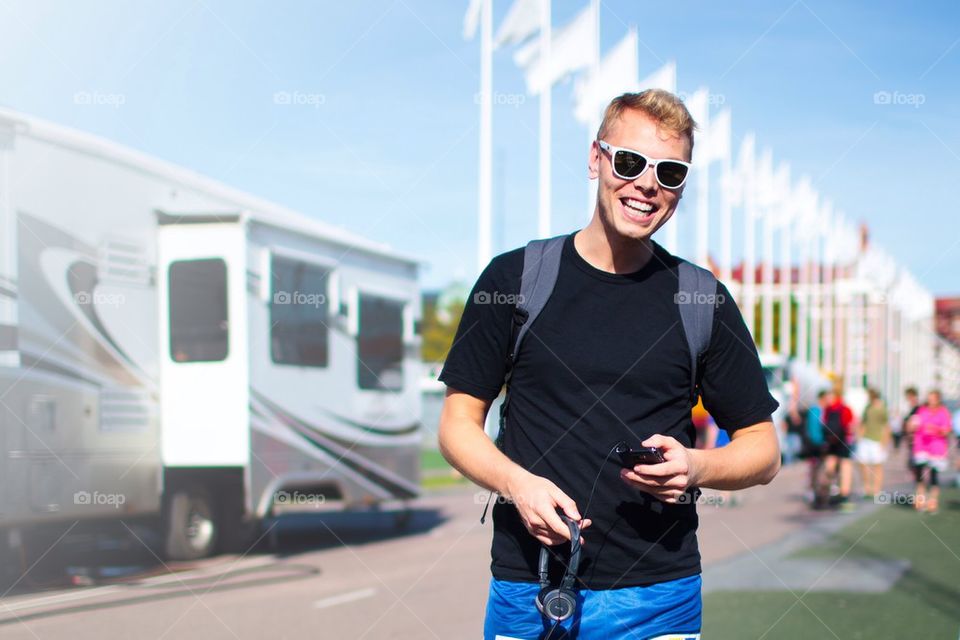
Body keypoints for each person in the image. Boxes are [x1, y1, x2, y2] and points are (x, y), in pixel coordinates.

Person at [438, 89, 780, 640]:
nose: (647, 184)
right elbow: (457, 426)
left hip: (658, 596)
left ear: (681, 187)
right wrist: (517, 483)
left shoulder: (702, 298)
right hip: (530, 588)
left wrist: (696, 467)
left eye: (669, 172)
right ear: (595, 159)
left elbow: (763, 450)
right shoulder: (514, 279)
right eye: (630, 162)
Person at [908, 389, 952, 514]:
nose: (930, 400)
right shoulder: (921, 410)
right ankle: (920, 499)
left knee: (934, 475)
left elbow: (947, 430)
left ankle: (932, 502)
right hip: (921, 445)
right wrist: (912, 425)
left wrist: (936, 430)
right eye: (929, 398)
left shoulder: (943, 412)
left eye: (933, 398)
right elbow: (913, 424)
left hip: (936, 447)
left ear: (938, 399)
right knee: (919, 473)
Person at [821, 387, 855, 509]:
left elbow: (849, 426)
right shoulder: (832, 409)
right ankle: (837, 495)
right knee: (833, 469)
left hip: (840, 442)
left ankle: (842, 495)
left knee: (842, 468)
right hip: (837, 443)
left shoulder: (838, 409)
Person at [854, 388, 889, 499]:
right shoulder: (867, 408)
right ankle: (867, 487)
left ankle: (877, 489)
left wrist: (884, 442)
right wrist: (858, 437)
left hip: (877, 440)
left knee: (877, 465)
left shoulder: (882, 409)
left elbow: (886, 426)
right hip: (865, 439)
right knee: (862, 464)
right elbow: (863, 423)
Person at [806, 390, 829, 508]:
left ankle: (813, 493)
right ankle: (820, 495)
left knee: (814, 469)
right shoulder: (821, 411)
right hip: (820, 445)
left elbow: (808, 428)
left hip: (812, 445)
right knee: (821, 469)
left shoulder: (813, 410)